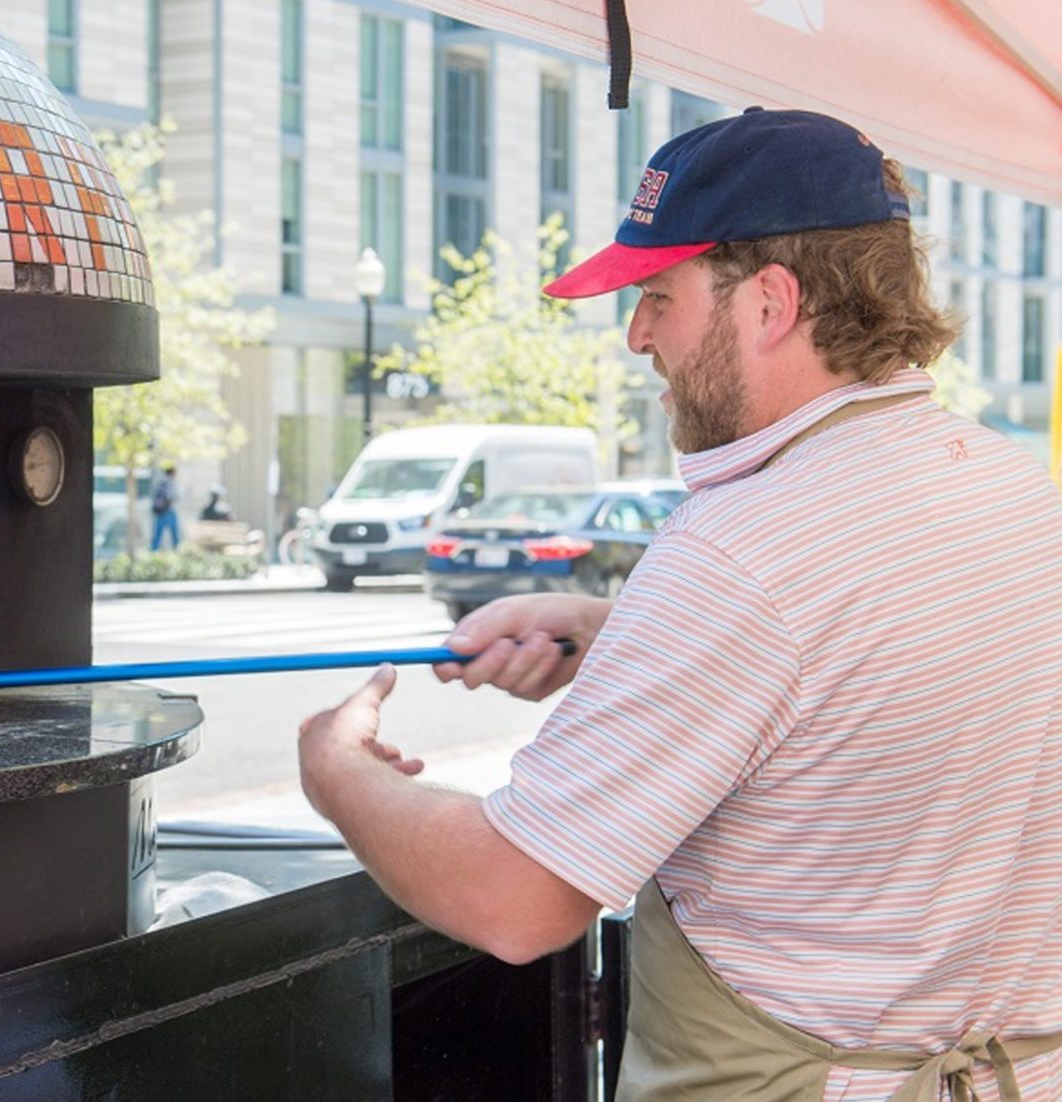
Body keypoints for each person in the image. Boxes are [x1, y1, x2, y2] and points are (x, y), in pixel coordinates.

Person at [297, 107, 1062, 1100]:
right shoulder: (1014, 486)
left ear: (770, 303)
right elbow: (879, 680)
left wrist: (338, 769)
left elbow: (514, 899)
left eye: (659, 294)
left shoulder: (741, 550)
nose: (636, 335)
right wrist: (617, 639)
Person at [149, 462, 180, 551]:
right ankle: (176, 550)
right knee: (174, 534)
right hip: (167, 510)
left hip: (160, 511)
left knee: (157, 535)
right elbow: (172, 496)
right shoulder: (170, 482)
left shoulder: (160, 481)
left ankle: (153, 552)